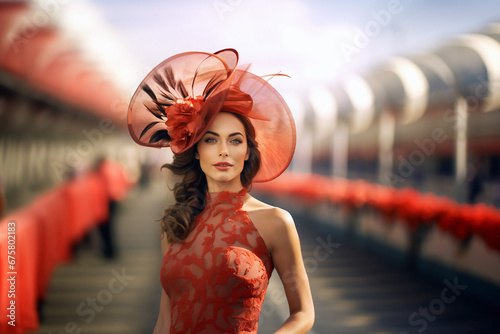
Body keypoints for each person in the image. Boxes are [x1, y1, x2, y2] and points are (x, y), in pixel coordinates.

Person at [128, 49, 314, 333]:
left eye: (235, 141)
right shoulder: (175, 222)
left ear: (247, 152)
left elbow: (303, 313)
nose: (224, 151)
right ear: (197, 151)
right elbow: (165, 320)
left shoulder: (276, 222)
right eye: (211, 139)